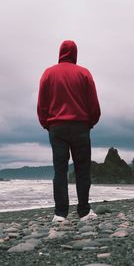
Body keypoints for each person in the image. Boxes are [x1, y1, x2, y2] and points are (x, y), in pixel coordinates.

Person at [37, 40, 101, 222]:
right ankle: (84, 212)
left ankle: (60, 214)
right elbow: (93, 103)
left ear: (60, 52)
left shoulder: (48, 74)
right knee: (82, 170)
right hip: (81, 126)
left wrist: (46, 123)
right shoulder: (84, 73)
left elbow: (42, 103)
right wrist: (91, 122)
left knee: (60, 171)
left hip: (57, 127)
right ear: (75, 53)